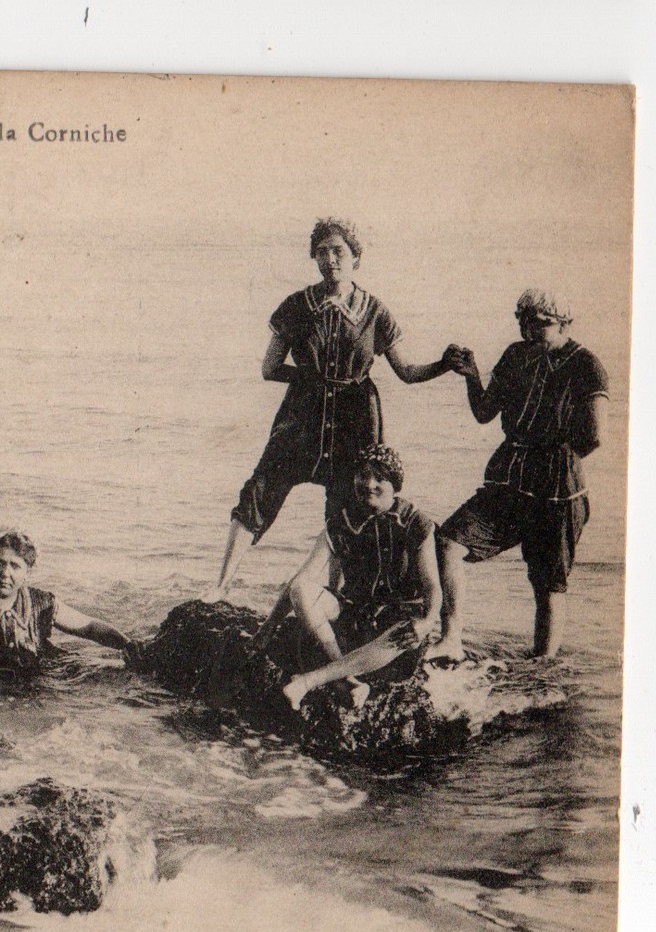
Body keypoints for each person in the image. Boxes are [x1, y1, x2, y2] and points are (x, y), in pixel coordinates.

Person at [204, 218, 463, 601]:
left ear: (356, 257)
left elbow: (406, 372)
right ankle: (221, 586)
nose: (329, 259)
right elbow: (269, 369)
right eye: (321, 252)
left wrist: (444, 364)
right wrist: (313, 378)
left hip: (357, 418)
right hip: (302, 416)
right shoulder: (297, 306)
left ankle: (333, 595)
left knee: (347, 503)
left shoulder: (375, 311)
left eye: (338, 251)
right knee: (260, 492)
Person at [432, 290, 608, 660]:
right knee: (449, 540)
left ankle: (541, 667)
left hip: (558, 492)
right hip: (509, 481)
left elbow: (594, 436)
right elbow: (484, 412)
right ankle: (451, 639)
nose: (530, 329)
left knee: (548, 586)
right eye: (523, 321)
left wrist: (553, 455)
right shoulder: (516, 354)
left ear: (564, 323)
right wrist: (470, 376)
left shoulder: (586, 364)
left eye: (540, 323)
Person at [275, 445, 442, 710]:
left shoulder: (415, 521)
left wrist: (428, 622)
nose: (369, 484)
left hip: (397, 618)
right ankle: (348, 681)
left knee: (405, 631)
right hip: (355, 613)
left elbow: (432, 584)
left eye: (380, 477)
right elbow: (301, 579)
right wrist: (265, 630)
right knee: (301, 590)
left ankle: (308, 681)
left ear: (395, 484)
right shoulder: (340, 521)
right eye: (363, 475)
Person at [0, 529, 136, 684]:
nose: (5, 573)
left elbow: (87, 626)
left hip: (35, 679)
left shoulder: (39, 602)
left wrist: (126, 644)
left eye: (15, 566)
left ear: (26, 573)